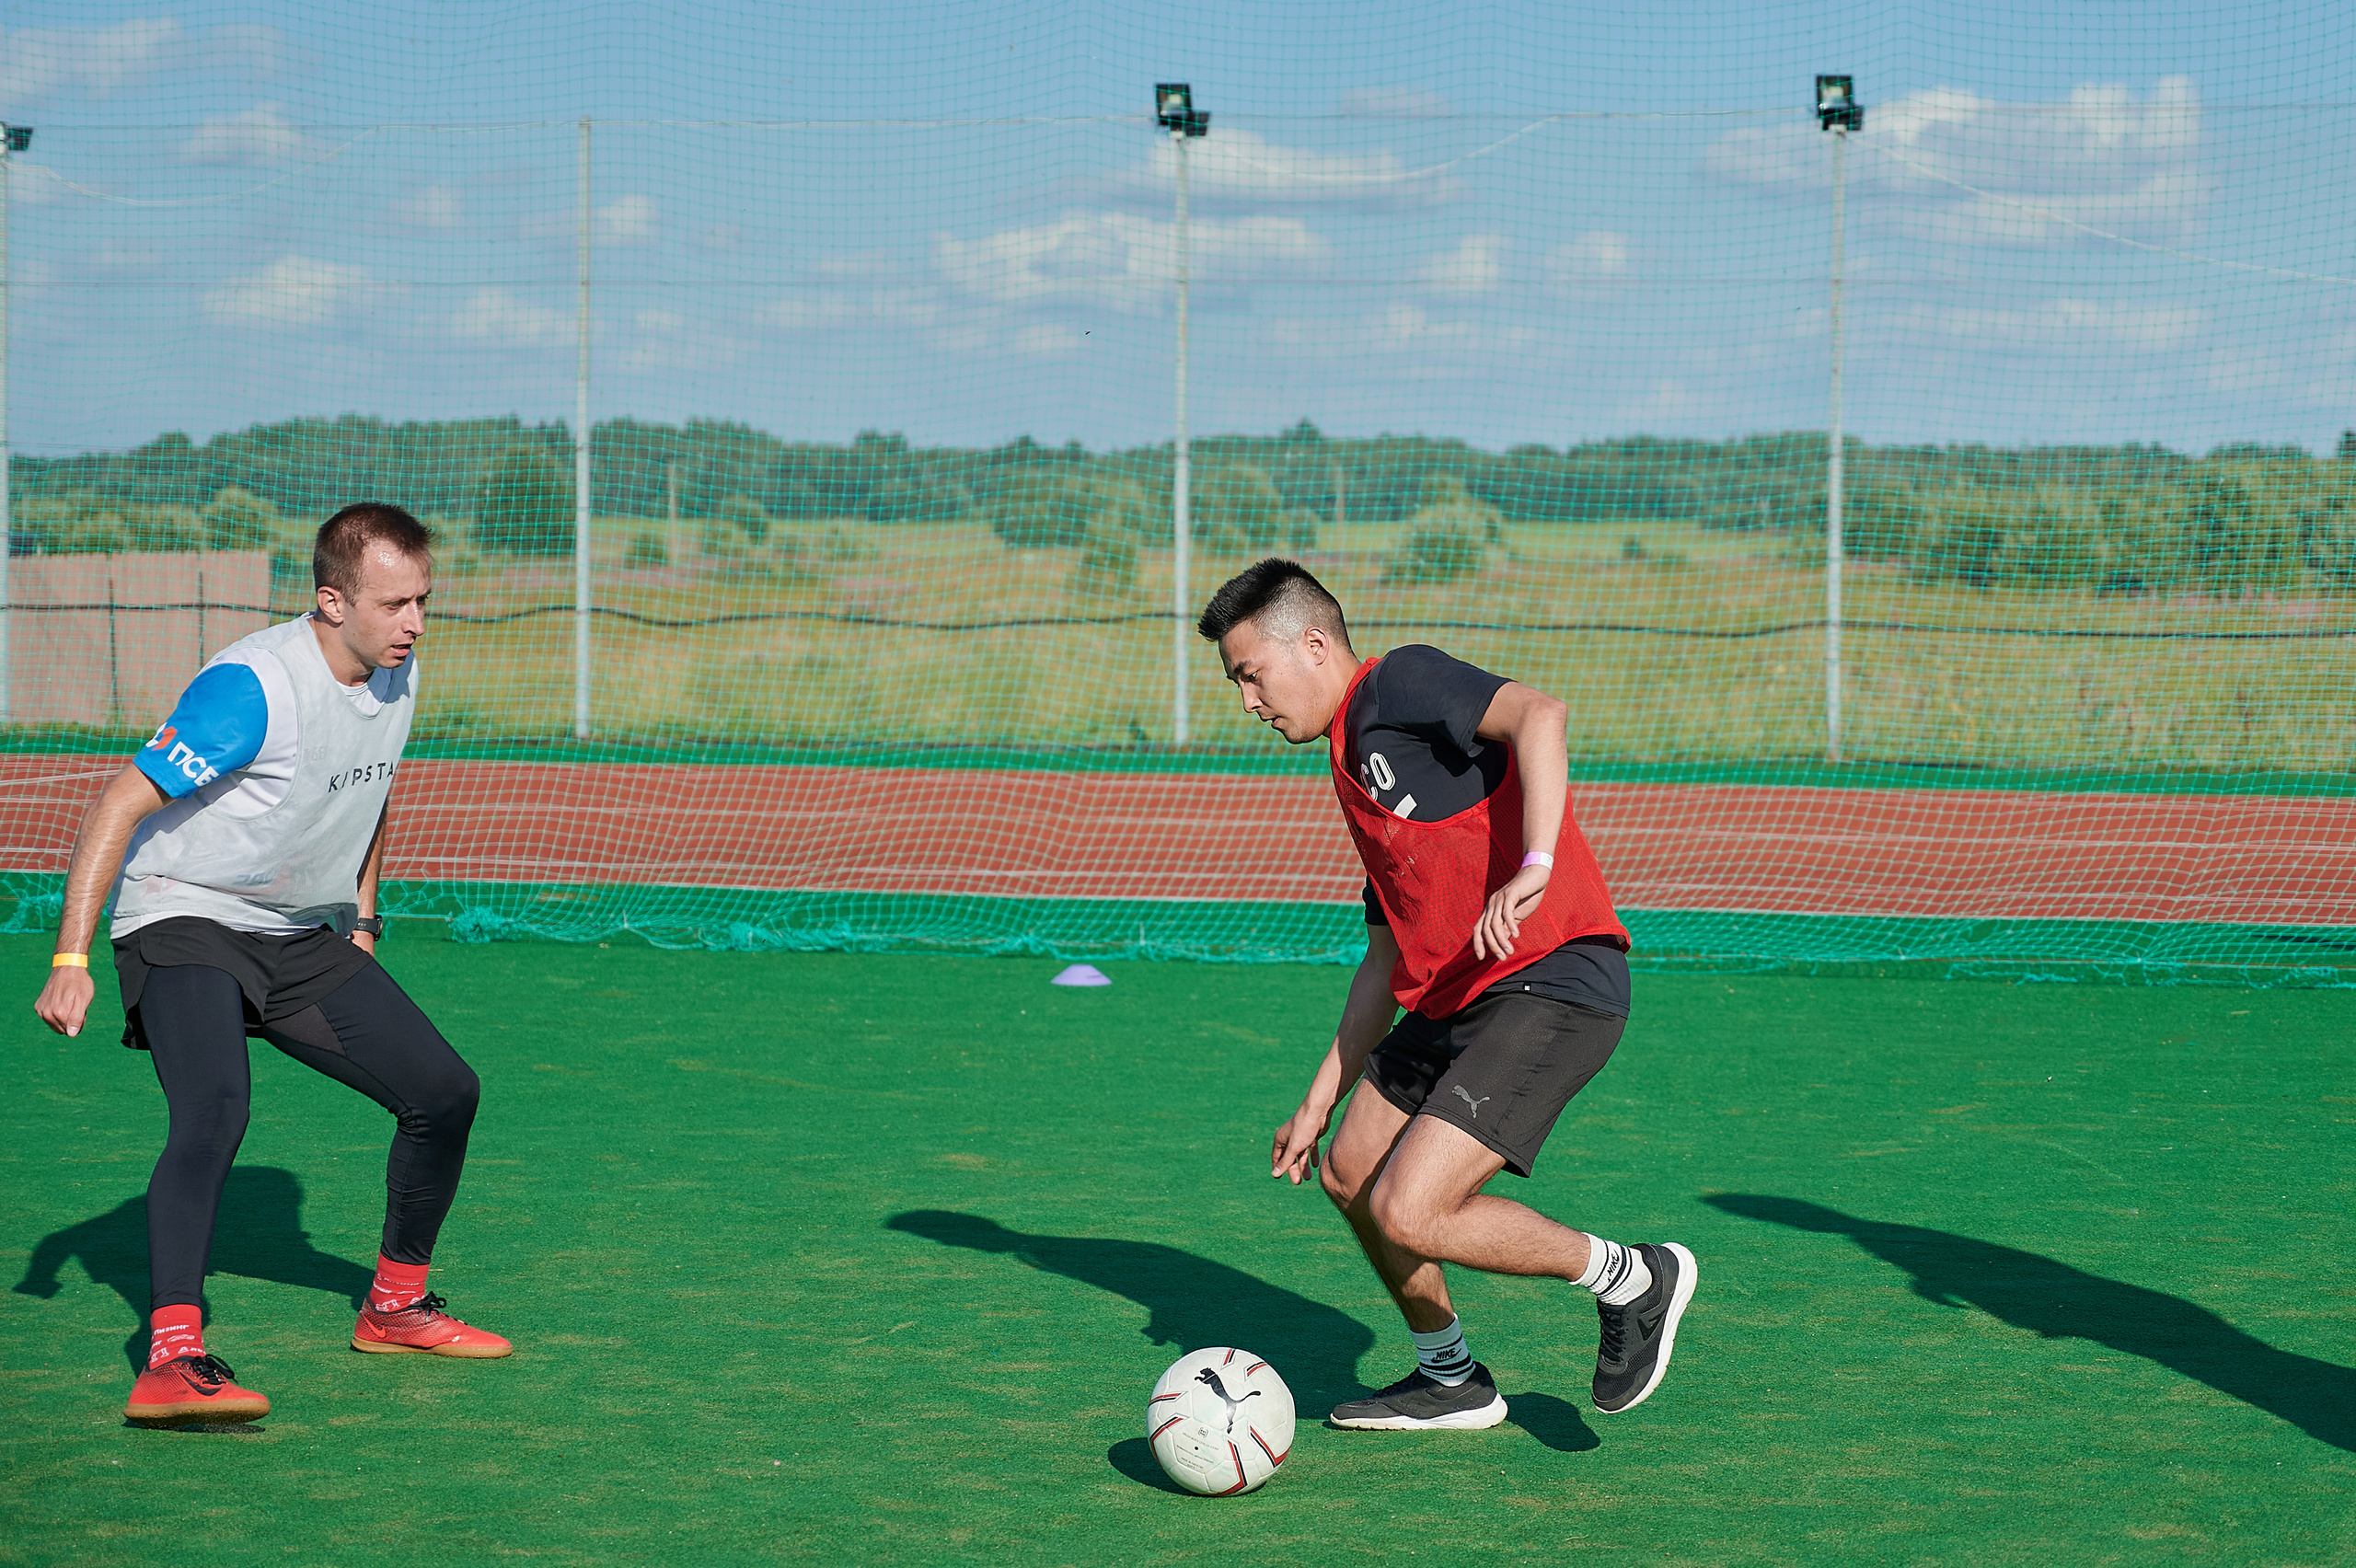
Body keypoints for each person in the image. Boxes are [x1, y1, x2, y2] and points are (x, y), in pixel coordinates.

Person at [32, 502, 509, 1429]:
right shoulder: (252, 688)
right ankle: (171, 1359)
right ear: (332, 602)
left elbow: (370, 792)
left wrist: (362, 920)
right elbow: (117, 805)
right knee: (216, 1108)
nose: (415, 622)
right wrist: (71, 957)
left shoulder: (395, 671)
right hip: (183, 917)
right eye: (394, 603)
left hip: (294, 934)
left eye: (423, 600)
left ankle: (395, 1307)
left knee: (446, 1092)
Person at [1197, 558, 1695, 1431]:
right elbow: (1384, 959)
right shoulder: (1350, 764)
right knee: (1351, 1170)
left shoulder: (1397, 682)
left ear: (1312, 645)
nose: (1249, 702)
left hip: (1550, 978)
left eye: (1251, 675)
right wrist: (1318, 1100)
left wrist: (1536, 866)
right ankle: (1452, 1376)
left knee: (1412, 1209)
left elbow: (1540, 714)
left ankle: (1634, 1277)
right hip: (1458, 996)